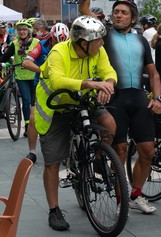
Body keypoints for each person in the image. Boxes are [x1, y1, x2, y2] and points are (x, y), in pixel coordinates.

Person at [80, 0, 161, 215]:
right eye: (116, 11)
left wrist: (157, 97)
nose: (118, 15)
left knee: (148, 152)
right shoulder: (104, 32)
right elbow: (84, 9)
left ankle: (136, 194)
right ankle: (120, 201)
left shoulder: (140, 39)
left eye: (123, 13)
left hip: (138, 97)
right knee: (121, 151)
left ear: (133, 17)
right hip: (114, 98)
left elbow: (153, 73)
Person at [34, 16, 117, 231]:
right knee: (52, 161)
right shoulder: (58, 52)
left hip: (83, 98)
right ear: (83, 42)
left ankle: (99, 158)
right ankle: (54, 210)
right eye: (98, 40)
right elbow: (57, 81)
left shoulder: (98, 50)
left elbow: (108, 71)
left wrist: (108, 84)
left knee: (109, 123)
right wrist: (92, 83)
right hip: (56, 105)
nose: (102, 43)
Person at [21, 22, 70, 163]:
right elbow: (26, 63)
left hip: (61, 85)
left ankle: (68, 150)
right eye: (56, 42)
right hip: (43, 86)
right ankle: (32, 151)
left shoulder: (69, 46)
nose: (59, 45)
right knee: (33, 119)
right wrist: (44, 70)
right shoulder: (41, 45)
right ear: (51, 38)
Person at [0, 19, 39, 138]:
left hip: (35, 76)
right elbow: (5, 56)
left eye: (24, 29)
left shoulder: (37, 42)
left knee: (35, 102)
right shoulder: (15, 44)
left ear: (29, 31)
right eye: (20, 29)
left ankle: (36, 124)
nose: (22, 32)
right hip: (21, 76)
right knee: (26, 101)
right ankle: (27, 126)